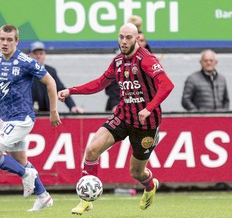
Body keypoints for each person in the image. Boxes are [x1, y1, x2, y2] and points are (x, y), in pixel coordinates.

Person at [58, 23, 174, 215]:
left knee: (136, 173)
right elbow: (100, 83)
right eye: (121, 37)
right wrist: (72, 90)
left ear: (137, 39)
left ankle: (149, 185)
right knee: (92, 149)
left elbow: (167, 85)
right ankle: (86, 200)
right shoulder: (118, 62)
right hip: (123, 115)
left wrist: (148, 108)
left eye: (128, 37)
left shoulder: (146, 60)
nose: (124, 41)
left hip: (146, 124)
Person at [0, 24, 61, 212]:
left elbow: (50, 81)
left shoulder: (26, 62)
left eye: (9, 40)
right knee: (21, 160)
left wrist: (53, 110)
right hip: (6, 118)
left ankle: (26, 175)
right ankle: (43, 196)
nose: (5, 43)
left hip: (22, 118)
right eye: (2, 39)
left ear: (17, 42)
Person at [28, 41, 85, 113]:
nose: (38, 56)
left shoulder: (51, 71)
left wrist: (72, 106)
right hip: (28, 114)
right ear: (29, 55)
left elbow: (61, 89)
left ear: (45, 55)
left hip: (48, 113)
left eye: (41, 54)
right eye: (35, 54)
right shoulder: (24, 72)